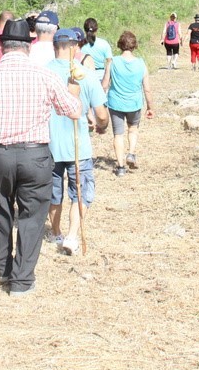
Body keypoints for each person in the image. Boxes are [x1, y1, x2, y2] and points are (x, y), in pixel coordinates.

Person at [0, 19, 82, 296]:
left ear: (2, 46)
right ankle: (22, 279)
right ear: (28, 46)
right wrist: (74, 93)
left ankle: (2, 269)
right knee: (31, 216)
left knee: (1, 211)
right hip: (35, 154)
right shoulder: (45, 75)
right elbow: (73, 111)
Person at [46, 29, 109, 256]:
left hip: (48, 145)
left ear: (55, 46)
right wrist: (102, 125)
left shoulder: (42, 73)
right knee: (80, 191)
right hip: (77, 146)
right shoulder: (85, 74)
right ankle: (72, 236)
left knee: (53, 193)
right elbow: (101, 114)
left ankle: (55, 232)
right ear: (74, 48)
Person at [107, 31, 154, 177]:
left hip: (115, 103)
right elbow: (147, 89)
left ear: (120, 45)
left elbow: (104, 84)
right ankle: (131, 154)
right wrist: (150, 107)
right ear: (134, 46)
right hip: (134, 103)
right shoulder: (141, 64)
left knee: (118, 134)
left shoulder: (112, 62)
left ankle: (121, 168)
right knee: (133, 129)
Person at [80, 17, 113, 88]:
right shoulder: (104, 44)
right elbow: (109, 62)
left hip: (85, 76)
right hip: (101, 76)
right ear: (96, 29)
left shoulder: (80, 45)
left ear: (84, 29)